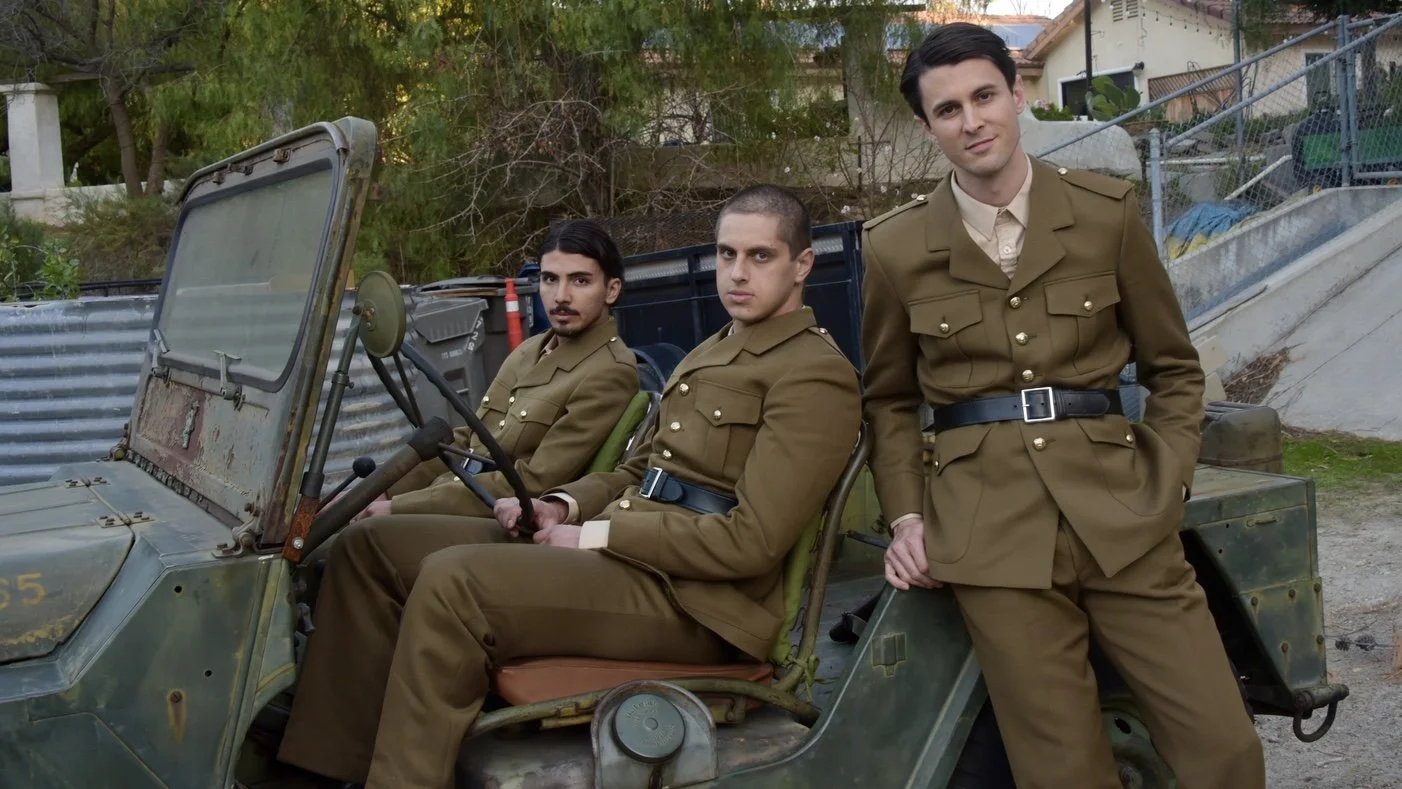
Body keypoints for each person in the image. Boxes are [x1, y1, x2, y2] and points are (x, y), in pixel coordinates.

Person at [276, 184, 862, 789]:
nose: (737, 273)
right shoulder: (716, 349)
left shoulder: (814, 375)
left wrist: (595, 536)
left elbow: (751, 542)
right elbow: (642, 471)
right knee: (372, 549)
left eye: (760, 257)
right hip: (640, 560)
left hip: (700, 604)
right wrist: (561, 505)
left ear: (802, 264)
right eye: (727, 254)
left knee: (456, 582)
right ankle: (330, 766)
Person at [858, 23, 1265, 789]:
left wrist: (1168, 477)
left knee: (1224, 749)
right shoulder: (897, 248)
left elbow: (1175, 370)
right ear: (927, 127)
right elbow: (888, 400)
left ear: (1018, 96)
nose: (972, 120)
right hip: (990, 533)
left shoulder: (1105, 214)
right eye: (948, 110)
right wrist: (908, 517)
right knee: (1061, 771)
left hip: (1123, 511)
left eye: (985, 96)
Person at [362, 218, 640, 520]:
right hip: (456, 496)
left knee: (361, 544)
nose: (561, 296)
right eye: (549, 279)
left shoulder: (609, 371)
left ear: (611, 290)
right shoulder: (528, 352)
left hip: (502, 518)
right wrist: (385, 487)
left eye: (580, 281)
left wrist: (401, 506)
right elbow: (470, 439)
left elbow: (533, 482)